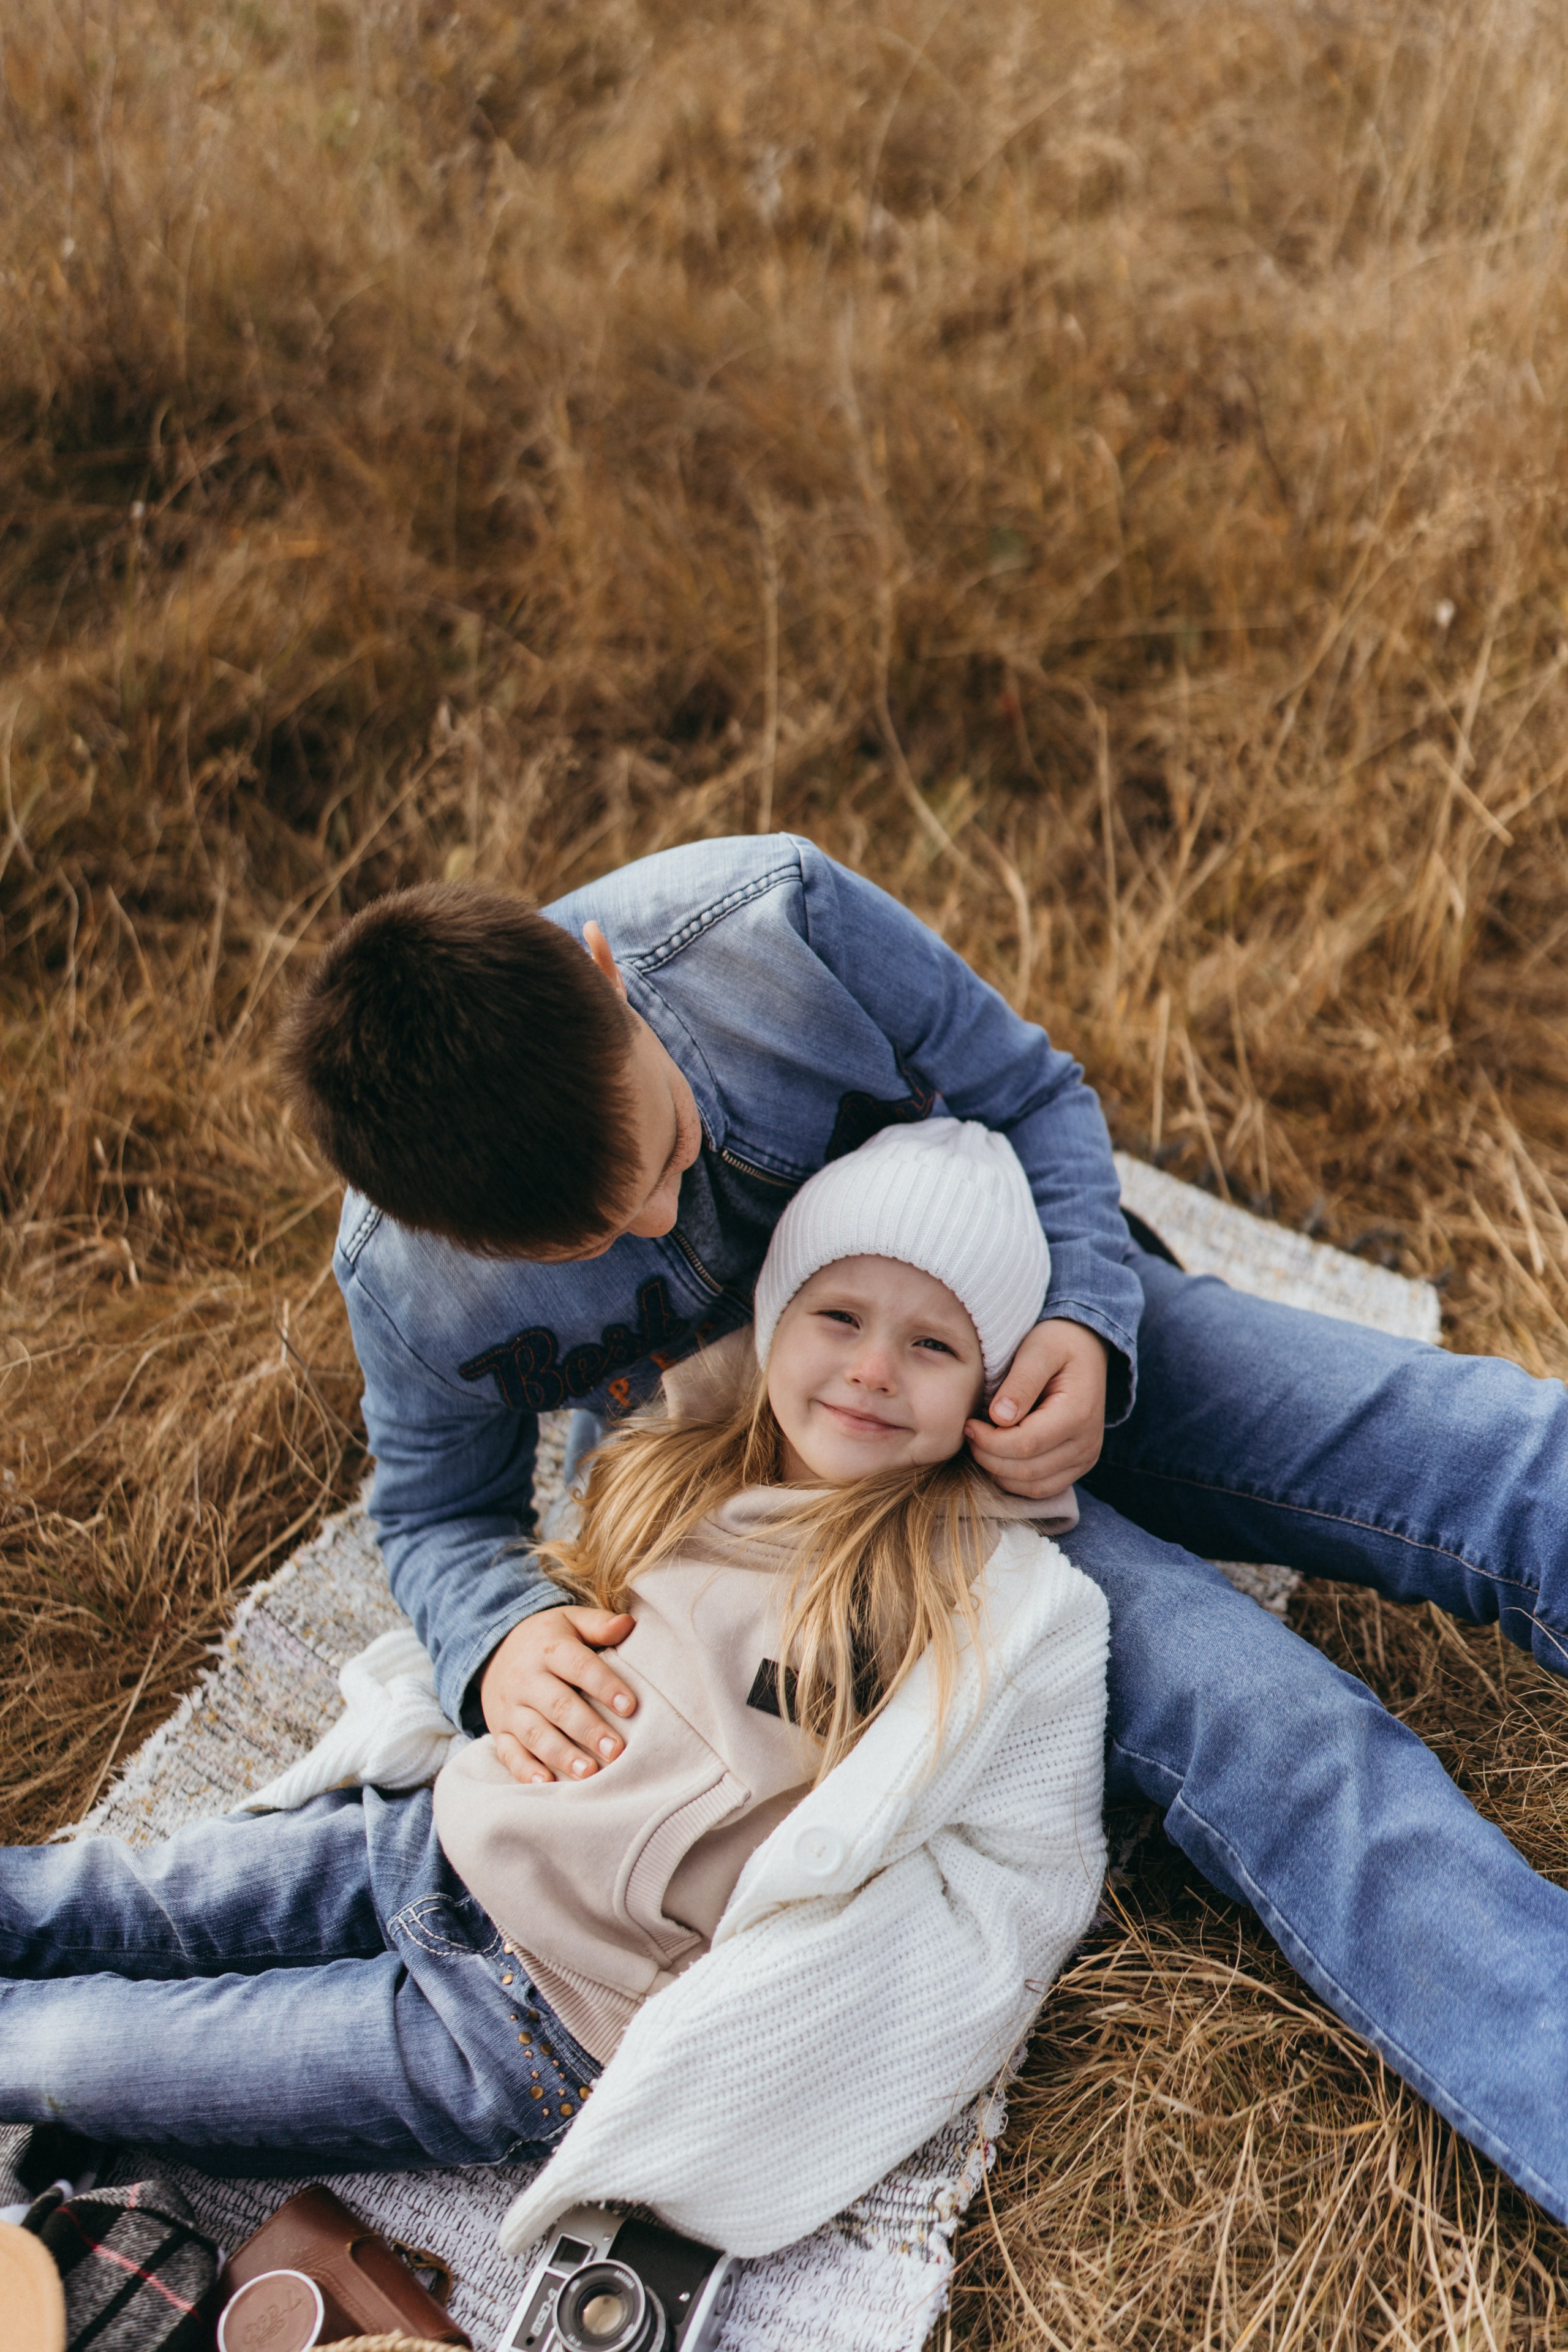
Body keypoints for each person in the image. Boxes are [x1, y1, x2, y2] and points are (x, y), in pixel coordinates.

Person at [272, 831, 1568, 2234]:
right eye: (586, 1248)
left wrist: (1082, 1314)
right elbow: (432, 1514)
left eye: (654, 1151)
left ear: (605, 978)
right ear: (441, 1237)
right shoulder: (405, 1281)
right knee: (1270, 1728)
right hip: (823, 1531)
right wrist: (496, 1636)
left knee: (1471, 1444)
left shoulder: (773, 921)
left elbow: (1034, 1094)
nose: (654, 1218)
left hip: (1015, 1318)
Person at [0, 1123, 1109, 2258]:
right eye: (840, 1317)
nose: (875, 1367)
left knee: (83, 2057)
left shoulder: (966, 1591)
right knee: (128, 1897)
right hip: (440, 1836)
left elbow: (1026, 1864)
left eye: (932, 1345)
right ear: (775, 1323)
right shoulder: (692, 1455)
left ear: (991, 1389)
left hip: (545, 2025)